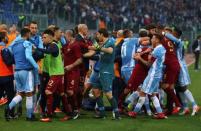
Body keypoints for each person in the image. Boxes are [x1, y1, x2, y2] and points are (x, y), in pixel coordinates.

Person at [128, 33, 167, 119]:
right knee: (153, 94)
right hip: (157, 73)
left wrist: (139, 58)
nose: (151, 40)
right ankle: (160, 113)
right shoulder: (162, 48)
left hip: (153, 74)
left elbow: (149, 64)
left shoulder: (157, 50)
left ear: (157, 40)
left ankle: (134, 112)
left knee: (142, 92)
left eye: (153, 38)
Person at [85, 28, 121, 119]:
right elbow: (94, 49)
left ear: (101, 34)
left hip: (107, 71)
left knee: (108, 94)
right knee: (95, 91)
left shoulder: (110, 42)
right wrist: (86, 48)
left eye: (98, 35)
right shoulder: (103, 44)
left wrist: (98, 47)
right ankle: (102, 113)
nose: (97, 36)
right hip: (100, 71)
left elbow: (110, 51)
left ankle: (117, 114)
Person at [5, 28, 38, 121]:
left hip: (17, 71)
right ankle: (29, 116)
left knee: (20, 93)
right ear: (27, 34)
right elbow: (28, 56)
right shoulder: (27, 43)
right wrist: (36, 66)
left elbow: (10, 52)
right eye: (29, 34)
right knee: (29, 94)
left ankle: (9, 107)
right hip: (26, 71)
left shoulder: (14, 45)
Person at [38, 29, 71, 122]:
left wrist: (37, 48)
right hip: (58, 73)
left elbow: (50, 52)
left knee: (48, 92)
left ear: (50, 37)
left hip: (56, 74)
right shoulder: (51, 45)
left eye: (44, 37)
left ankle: (48, 115)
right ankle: (68, 113)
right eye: (42, 37)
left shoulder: (53, 45)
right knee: (61, 93)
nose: (43, 39)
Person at [0, 32, 15, 117]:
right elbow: (8, 61)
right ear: (3, 38)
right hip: (6, 75)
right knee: (10, 96)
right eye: (6, 36)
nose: (7, 38)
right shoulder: (4, 48)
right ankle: (10, 114)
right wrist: (15, 58)